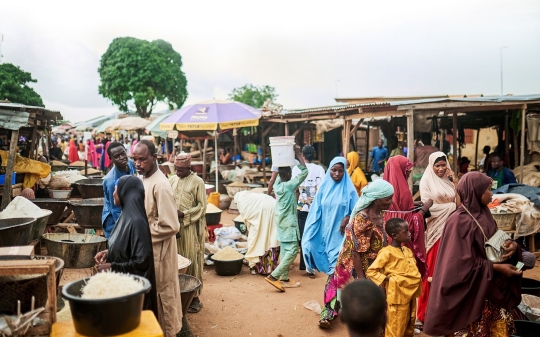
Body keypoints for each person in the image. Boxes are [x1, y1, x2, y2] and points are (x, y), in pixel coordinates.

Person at [424, 172, 523, 336]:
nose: (492, 193)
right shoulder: (459, 221)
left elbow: (495, 240)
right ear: (475, 191)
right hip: (473, 292)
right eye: (488, 189)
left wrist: (512, 246)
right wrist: (496, 268)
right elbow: (458, 265)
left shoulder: (485, 214)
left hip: (490, 286)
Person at [318, 179, 394, 329]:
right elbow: (356, 252)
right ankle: (328, 315)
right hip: (353, 261)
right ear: (377, 200)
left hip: (374, 263)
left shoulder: (380, 213)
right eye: (387, 199)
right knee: (338, 287)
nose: (391, 202)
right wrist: (361, 278)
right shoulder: (362, 220)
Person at [132, 140, 182, 336]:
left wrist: (139, 234)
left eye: (142, 159)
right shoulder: (143, 178)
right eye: (134, 159)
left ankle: (168, 332)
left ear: (154, 158)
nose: (137, 164)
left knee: (163, 295)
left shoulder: (160, 185)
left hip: (159, 250)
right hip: (148, 250)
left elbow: (170, 224)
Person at [94, 175, 159, 319]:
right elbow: (126, 245)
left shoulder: (136, 223)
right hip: (121, 289)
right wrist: (108, 251)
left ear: (125, 192)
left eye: (116, 189)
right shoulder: (125, 216)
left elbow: (142, 262)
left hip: (132, 297)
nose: (113, 193)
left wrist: (112, 266)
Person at [302, 156, 358, 309]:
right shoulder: (323, 190)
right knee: (336, 271)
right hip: (325, 235)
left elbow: (357, 211)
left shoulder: (350, 191)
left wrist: (347, 217)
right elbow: (315, 213)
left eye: (341, 171)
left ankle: (330, 307)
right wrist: (309, 235)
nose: (337, 174)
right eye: (334, 170)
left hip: (341, 238)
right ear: (329, 171)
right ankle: (340, 302)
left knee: (337, 269)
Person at [415, 152, 458, 327]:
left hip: (452, 231)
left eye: (443, 165)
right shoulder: (426, 182)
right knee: (432, 272)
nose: (441, 169)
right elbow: (428, 208)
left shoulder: (449, 181)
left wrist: (455, 181)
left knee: (449, 272)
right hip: (435, 233)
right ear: (431, 165)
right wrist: (451, 207)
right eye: (437, 165)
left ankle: (444, 313)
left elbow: (460, 205)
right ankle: (423, 314)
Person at [366, 218, 422, 337]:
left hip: (411, 294)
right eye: (405, 231)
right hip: (397, 296)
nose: (409, 233)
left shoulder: (407, 250)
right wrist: (390, 280)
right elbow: (371, 271)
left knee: (409, 322)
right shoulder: (387, 252)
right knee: (396, 326)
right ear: (394, 235)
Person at [265, 145, 308, 291]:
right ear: (289, 175)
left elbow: (275, 176)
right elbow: (304, 171)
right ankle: (274, 276)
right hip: (289, 223)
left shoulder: (277, 185)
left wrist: (280, 158)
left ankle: (283, 277)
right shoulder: (290, 186)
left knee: (284, 249)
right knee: (292, 251)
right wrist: (298, 154)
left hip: (281, 222)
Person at [169, 152, 207, 314]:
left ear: (188, 168)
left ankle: (194, 297)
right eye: (176, 169)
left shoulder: (198, 182)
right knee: (176, 261)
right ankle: (178, 294)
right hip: (172, 227)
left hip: (190, 228)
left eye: (181, 170)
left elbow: (202, 206)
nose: (177, 172)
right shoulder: (171, 179)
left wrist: (184, 214)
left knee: (191, 259)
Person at [383, 156, 430, 279]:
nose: (409, 172)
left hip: (390, 230)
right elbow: (409, 222)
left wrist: (411, 205)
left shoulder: (386, 187)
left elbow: (397, 207)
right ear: (400, 169)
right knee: (404, 270)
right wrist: (424, 209)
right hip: (400, 234)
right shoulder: (403, 190)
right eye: (407, 169)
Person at [292, 145, 325, 276]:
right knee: (313, 236)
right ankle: (311, 265)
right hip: (315, 209)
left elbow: (295, 189)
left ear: (303, 155)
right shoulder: (320, 169)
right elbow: (322, 190)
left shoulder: (296, 169)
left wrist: (295, 205)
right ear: (314, 155)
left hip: (301, 208)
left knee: (303, 235)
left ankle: (304, 264)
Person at [235, 190, 280, 275]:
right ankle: (271, 267)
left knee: (257, 239)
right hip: (274, 207)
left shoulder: (244, 203)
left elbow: (250, 222)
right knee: (272, 237)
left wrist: (250, 231)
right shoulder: (253, 198)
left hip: (265, 210)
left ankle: (261, 267)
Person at [101, 142, 137, 238]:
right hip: (113, 220)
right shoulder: (111, 181)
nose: (121, 158)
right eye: (116, 156)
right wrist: (126, 230)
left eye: (123, 154)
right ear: (111, 159)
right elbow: (115, 210)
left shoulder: (130, 164)